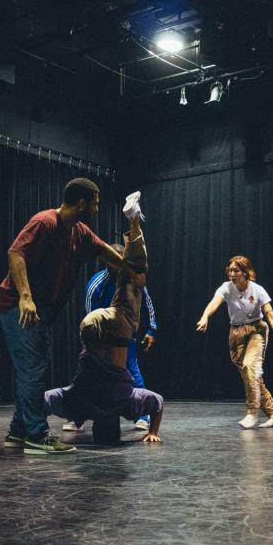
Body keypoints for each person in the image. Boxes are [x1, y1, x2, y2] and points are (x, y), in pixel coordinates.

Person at [0, 177, 134, 455]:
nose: (97, 209)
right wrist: (25, 297)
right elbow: (15, 253)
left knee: (31, 369)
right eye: (95, 204)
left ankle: (18, 431)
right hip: (17, 305)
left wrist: (132, 254)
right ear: (82, 203)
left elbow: (110, 255)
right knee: (33, 369)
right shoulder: (45, 222)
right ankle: (37, 436)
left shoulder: (80, 231)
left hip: (41, 310)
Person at [41, 192, 164, 447]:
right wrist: (36, 427)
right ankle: (133, 221)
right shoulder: (81, 404)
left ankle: (134, 221)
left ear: (115, 424)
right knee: (133, 280)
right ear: (96, 425)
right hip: (97, 330)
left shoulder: (125, 403)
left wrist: (154, 429)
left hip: (99, 324)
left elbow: (157, 402)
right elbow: (43, 400)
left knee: (135, 278)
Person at [63, 246, 158, 432]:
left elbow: (147, 303)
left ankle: (143, 415)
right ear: (108, 261)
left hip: (123, 333)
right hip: (101, 337)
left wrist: (152, 330)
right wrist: (93, 344)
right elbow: (90, 315)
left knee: (132, 369)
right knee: (88, 374)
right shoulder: (97, 283)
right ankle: (77, 417)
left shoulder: (133, 279)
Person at [196, 256, 273, 429]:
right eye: (230, 270)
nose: (232, 274)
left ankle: (251, 413)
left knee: (250, 367)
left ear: (245, 272)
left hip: (256, 330)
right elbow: (214, 303)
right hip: (236, 333)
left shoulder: (257, 290)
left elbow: (270, 314)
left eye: (236, 271)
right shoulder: (226, 287)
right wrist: (204, 316)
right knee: (251, 376)